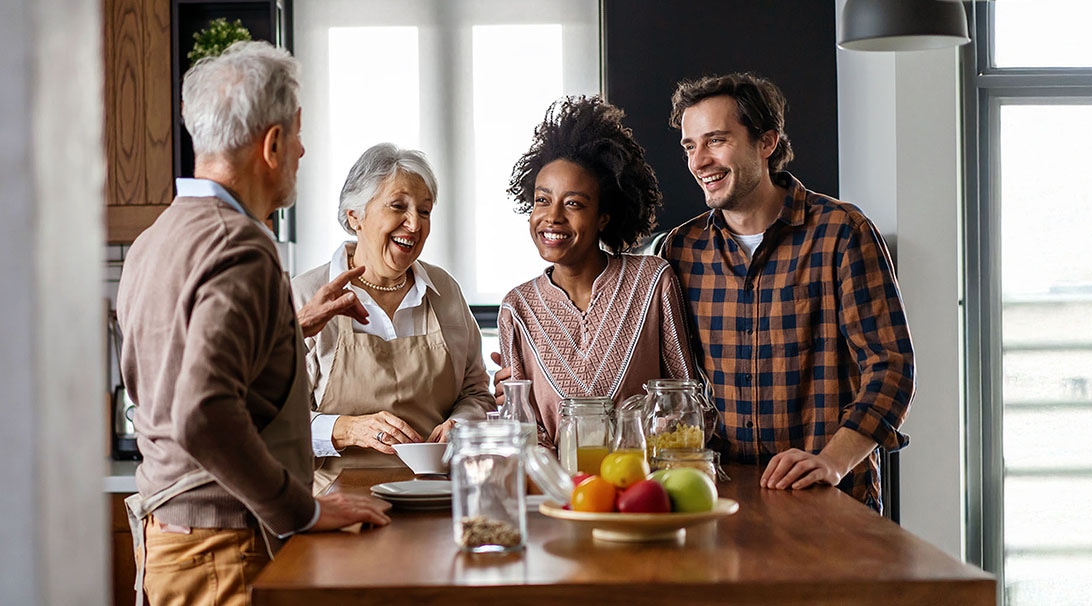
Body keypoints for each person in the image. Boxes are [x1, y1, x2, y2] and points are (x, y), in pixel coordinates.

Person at [116, 41, 390, 606]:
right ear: (271, 144)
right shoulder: (241, 244)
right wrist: (304, 508)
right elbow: (202, 412)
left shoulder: (155, 239)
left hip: (173, 541)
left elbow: (181, 375)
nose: (303, 149)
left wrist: (292, 325)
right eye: (296, 133)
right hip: (225, 549)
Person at [659, 73, 915, 512]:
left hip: (832, 502)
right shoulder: (681, 250)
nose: (699, 160)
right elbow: (657, 368)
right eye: (690, 145)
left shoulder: (841, 232)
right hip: (721, 499)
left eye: (716, 140)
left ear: (766, 142)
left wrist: (832, 462)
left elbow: (890, 367)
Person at [293, 143, 494, 493]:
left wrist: (462, 423)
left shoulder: (445, 291)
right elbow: (274, 419)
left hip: (439, 492)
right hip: (334, 500)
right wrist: (347, 428)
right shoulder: (305, 296)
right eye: (398, 206)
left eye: (425, 211)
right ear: (355, 215)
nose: (414, 224)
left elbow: (476, 391)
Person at [497, 96, 695, 448]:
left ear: (604, 215)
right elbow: (524, 426)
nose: (553, 216)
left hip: (644, 485)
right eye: (542, 200)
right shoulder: (517, 308)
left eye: (573, 203)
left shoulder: (652, 282)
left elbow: (683, 396)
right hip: (558, 493)